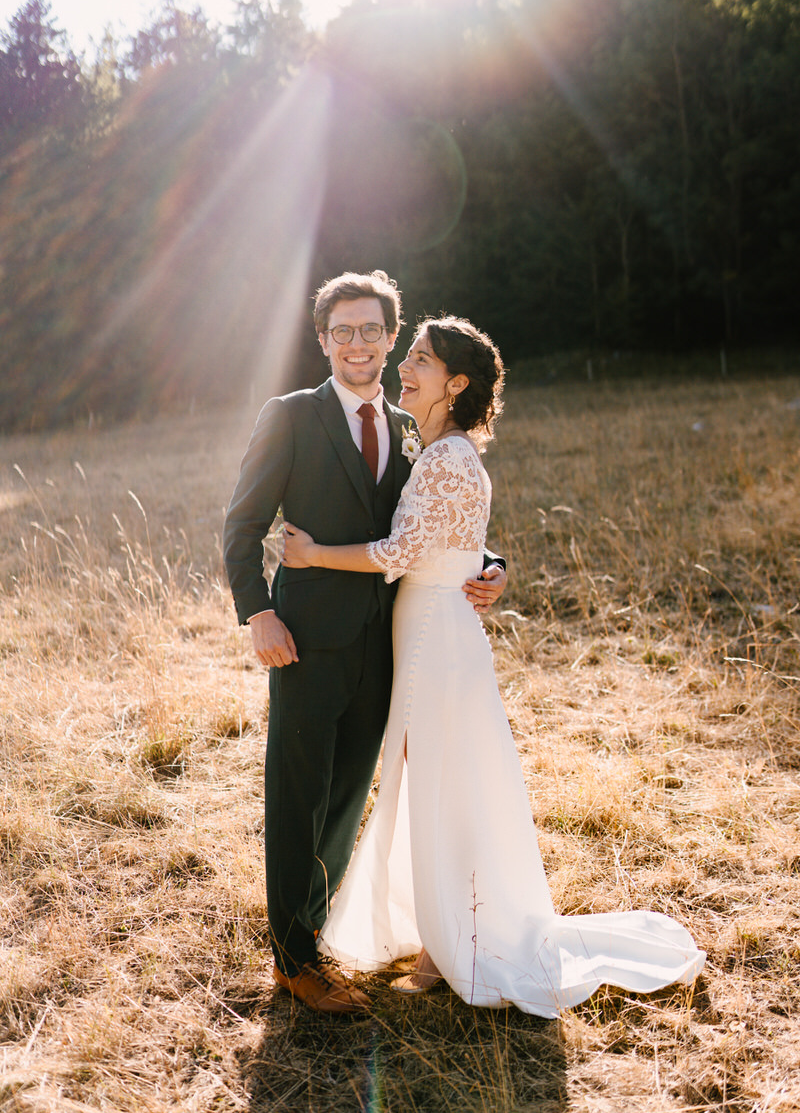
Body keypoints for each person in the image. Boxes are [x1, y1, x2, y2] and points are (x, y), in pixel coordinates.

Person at [281, 315, 705, 1016]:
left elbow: (399, 554)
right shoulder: (443, 452)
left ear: (455, 383)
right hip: (430, 627)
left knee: (441, 782)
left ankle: (450, 943)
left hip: (436, 638)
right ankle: (439, 935)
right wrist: (490, 564)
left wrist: (313, 554)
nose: (403, 368)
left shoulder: (447, 459)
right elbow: (454, 541)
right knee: (437, 782)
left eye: (417, 358)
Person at [222, 271, 507, 1016]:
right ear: (323, 341)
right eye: (342, 330)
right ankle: (294, 960)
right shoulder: (288, 416)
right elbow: (242, 525)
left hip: (388, 646)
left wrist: (489, 564)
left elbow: (434, 524)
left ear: (389, 337)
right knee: (297, 795)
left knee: (348, 797)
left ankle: (314, 931)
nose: (358, 343)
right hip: (305, 642)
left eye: (372, 330)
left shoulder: (412, 427)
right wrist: (259, 614)